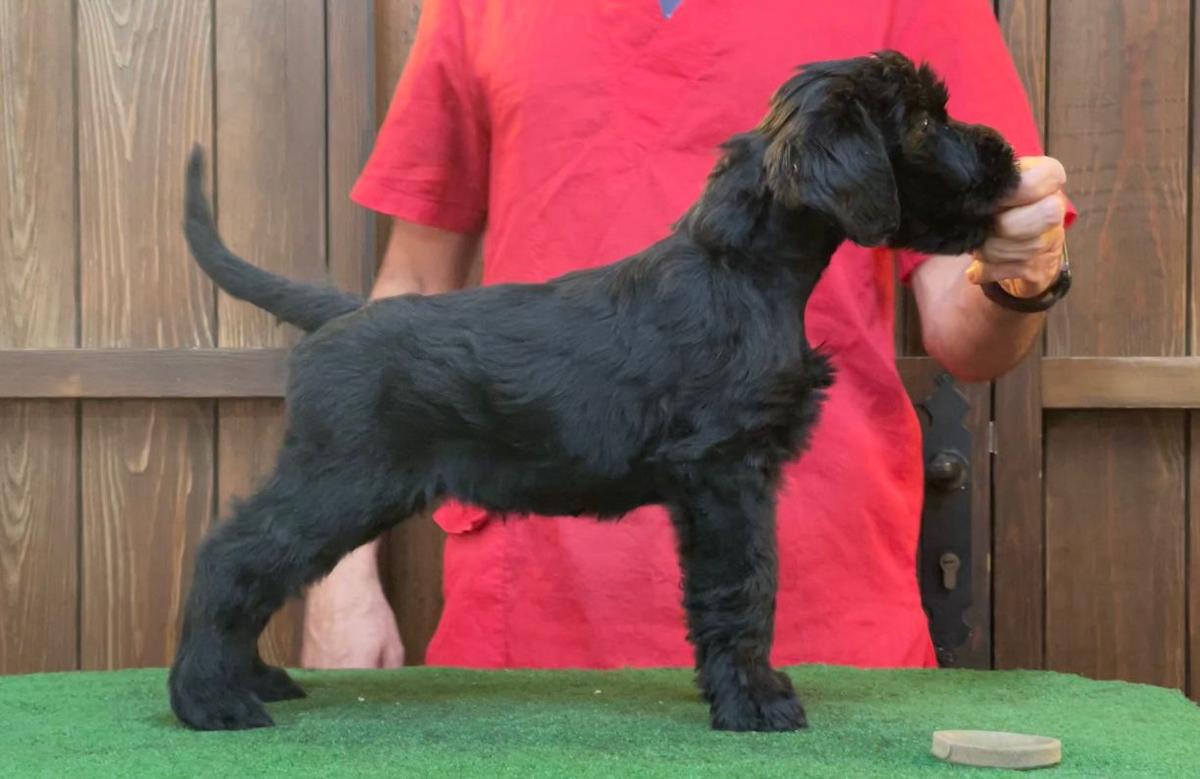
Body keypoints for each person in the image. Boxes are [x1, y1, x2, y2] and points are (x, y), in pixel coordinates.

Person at [301, 0, 1075, 670]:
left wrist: (1019, 268)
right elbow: (413, 289)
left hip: (812, 604)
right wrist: (337, 575)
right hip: (532, 600)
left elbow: (965, 330)